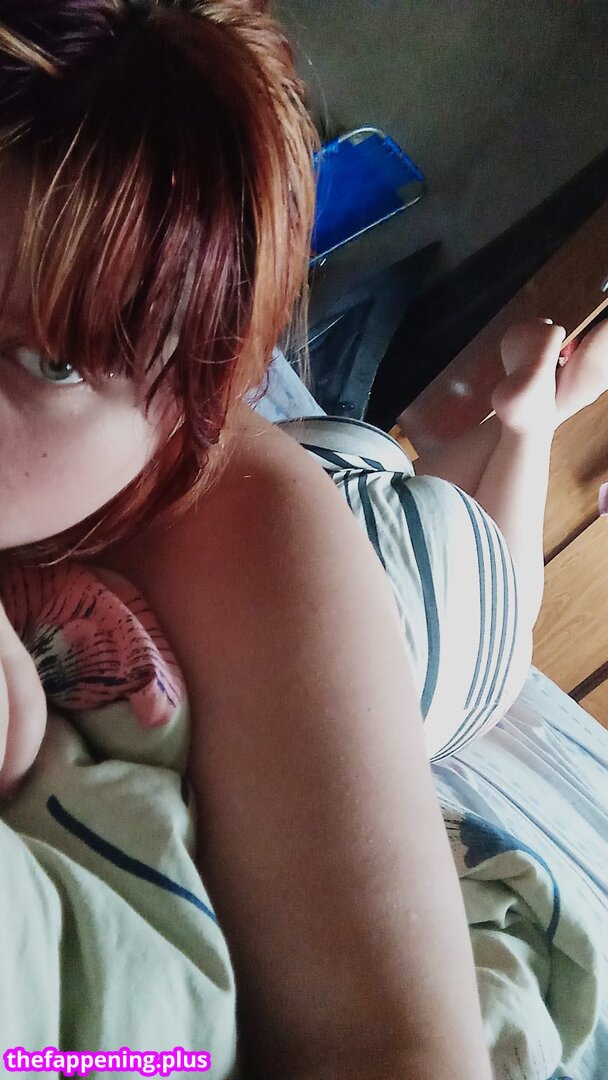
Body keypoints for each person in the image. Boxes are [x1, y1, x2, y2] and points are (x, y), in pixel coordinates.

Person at [1, 2, 608, 1077]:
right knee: (388, 462)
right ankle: (490, 428)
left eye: (49, 362)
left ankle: (526, 423)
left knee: (501, 611)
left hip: (428, 603)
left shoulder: (244, 521)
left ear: (181, 414)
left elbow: (395, 1048)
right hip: (326, 456)